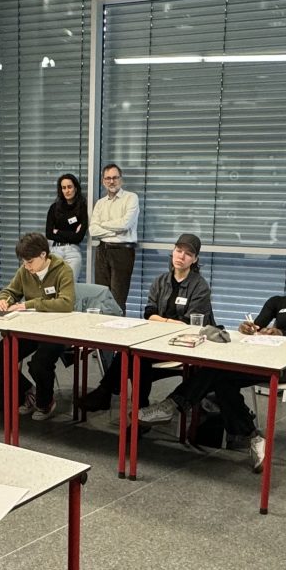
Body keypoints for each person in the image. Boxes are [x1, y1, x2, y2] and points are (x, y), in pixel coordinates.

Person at [139, 246, 286, 473]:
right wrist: (248, 328)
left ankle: (171, 406)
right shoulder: (278, 301)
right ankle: (253, 437)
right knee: (220, 374)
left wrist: (284, 333)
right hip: (268, 356)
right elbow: (257, 327)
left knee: (219, 377)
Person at [81, 232, 212, 413]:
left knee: (138, 357)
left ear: (195, 259)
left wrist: (162, 321)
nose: (181, 256)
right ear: (173, 251)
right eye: (178, 250)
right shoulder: (161, 281)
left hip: (183, 344)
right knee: (130, 351)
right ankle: (136, 409)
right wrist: (168, 321)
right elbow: (149, 313)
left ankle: (112, 395)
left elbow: (189, 323)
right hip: (158, 339)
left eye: (188, 254)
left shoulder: (199, 286)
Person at [0, 232, 74, 417]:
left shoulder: (63, 270)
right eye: (24, 262)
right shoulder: (25, 271)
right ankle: (28, 392)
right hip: (30, 329)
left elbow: (66, 303)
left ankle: (45, 403)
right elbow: (10, 291)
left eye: (30, 262)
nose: (27, 267)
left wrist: (28, 304)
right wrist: (3, 300)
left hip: (56, 331)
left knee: (39, 364)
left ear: (43, 255)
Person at [89, 163, 139, 311]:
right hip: (102, 250)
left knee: (118, 299)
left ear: (120, 179)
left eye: (115, 178)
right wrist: (114, 232)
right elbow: (93, 230)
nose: (111, 181)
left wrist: (103, 225)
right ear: (103, 181)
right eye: (108, 178)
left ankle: (117, 326)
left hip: (122, 252)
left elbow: (125, 224)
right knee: (101, 296)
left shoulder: (131, 198)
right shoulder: (100, 203)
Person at [45, 174, 88, 280]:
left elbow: (79, 237)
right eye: (64, 188)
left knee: (69, 285)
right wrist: (72, 234)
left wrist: (57, 232)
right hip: (55, 250)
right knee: (53, 284)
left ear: (75, 188)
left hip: (73, 251)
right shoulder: (54, 208)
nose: (67, 191)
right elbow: (49, 234)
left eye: (69, 187)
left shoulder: (82, 208)